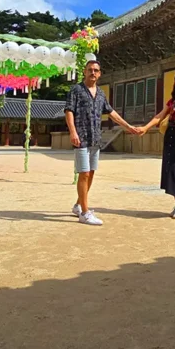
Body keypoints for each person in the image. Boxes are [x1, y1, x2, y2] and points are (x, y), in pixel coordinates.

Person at [64, 59, 139, 226]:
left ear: (99, 74)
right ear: (84, 72)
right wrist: (73, 132)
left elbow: (111, 113)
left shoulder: (100, 93)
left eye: (96, 70)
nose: (93, 72)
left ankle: (78, 205)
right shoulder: (76, 90)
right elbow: (69, 111)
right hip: (81, 137)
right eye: (90, 69)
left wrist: (128, 126)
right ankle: (84, 212)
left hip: (95, 139)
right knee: (83, 173)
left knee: (90, 173)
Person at [140, 71, 175, 219]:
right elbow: (160, 116)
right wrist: (145, 128)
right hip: (171, 134)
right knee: (170, 169)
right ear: (174, 83)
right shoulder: (172, 101)